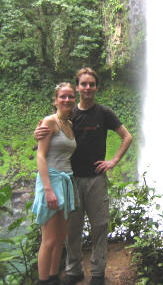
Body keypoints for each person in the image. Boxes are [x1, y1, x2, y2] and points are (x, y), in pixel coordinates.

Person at [35, 67, 133, 285]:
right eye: (83, 84)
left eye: (91, 84)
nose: (87, 88)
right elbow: (51, 129)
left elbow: (127, 137)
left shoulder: (104, 113)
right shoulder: (69, 115)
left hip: (96, 179)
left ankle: (98, 273)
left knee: (99, 226)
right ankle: (73, 270)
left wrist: (113, 161)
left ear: (96, 87)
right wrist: (38, 131)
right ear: (78, 87)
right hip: (71, 180)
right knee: (72, 229)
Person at [33, 82, 77, 285]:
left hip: (65, 182)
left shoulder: (69, 124)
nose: (67, 100)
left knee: (60, 238)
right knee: (49, 240)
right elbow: (40, 157)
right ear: (55, 100)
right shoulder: (50, 122)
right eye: (63, 96)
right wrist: (48, 190)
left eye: (70, 96)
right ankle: (43, 281)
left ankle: (53, 277)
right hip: (50, 182)